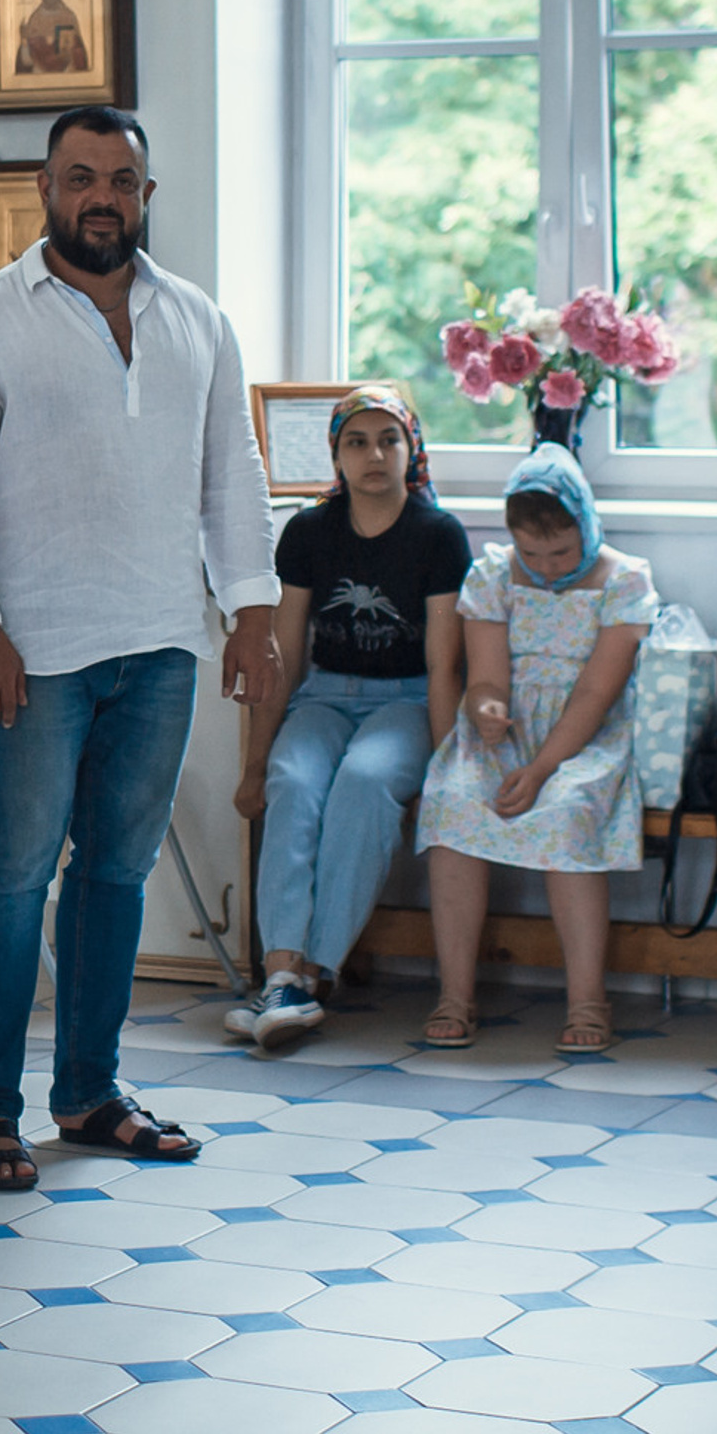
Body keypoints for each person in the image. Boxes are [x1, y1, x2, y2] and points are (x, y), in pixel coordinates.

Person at [0, 106, 279, 1192]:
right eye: (80, 177)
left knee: (115, 874)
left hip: (161, 640)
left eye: (121, 178)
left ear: (147, 195)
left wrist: (250, 609)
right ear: (45, 189)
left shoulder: (199, 321)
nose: (101, 195)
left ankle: (88, 1092)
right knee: (15, 874)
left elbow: (232, 473)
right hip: (32, 647)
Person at [227, 388, 468, 1052]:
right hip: (324, 695)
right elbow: (283, 652)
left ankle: (313, 973)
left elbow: (445, 665)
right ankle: (280, 972)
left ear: (411, 450)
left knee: (364, 781)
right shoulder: (308, 532)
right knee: (294, 780)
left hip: (406, 699)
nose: (374, 455)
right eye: (356, 442)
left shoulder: (438, 535)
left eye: (389, 440)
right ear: (335, 453)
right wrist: (254, 766)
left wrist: (448, 770)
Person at [416, 445, 656, 1054]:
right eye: (532, 554)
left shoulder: (624, 581)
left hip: (583, 736)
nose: (547, 569)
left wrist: (544, 766)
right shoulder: (493, 575)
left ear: (588, 525)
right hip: (511, 731)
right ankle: (455, 993)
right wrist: (488, 711)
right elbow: (488, 678)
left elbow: (598, 692)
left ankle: (587, 1000)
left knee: (566, 814)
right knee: (453, 804)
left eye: (562, 553)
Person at [16, 0, 91, 77]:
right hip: (40, 75)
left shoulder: (68, 17)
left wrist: (72, 56)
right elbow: (26, 62)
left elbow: (78, 54)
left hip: (66, 75)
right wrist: (24, 40)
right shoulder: (35, 19)